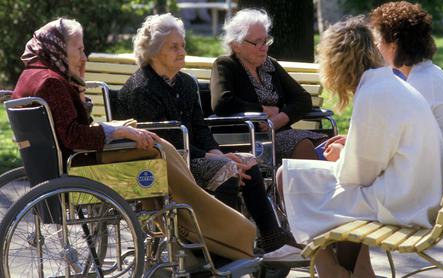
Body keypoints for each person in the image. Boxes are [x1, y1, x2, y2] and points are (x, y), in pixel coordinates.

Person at [12, 17, 257, 262]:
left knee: (161, 147)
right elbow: (74, 135)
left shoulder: (32, 76)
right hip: (81, 167)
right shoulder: (52, 83)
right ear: (58, 48)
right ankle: (217, 240)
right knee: (160, 149)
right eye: (78, 49)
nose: (83, 56)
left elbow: (70, 130)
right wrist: (118, 132)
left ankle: (214, 240)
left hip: (57, 169)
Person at [271, 16, 443, 277]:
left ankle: (329, 269)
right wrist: (350, 148)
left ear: (336, 64)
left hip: (404, 202)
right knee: (322, 189)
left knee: (286, 176)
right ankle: (358, 271)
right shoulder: (389, 82)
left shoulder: (374, 93)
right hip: (415, 192)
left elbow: (357, 175)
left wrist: (340, 155)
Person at [115, 13, 301, 260]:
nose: (182, 51)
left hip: (193, 155)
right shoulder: (142, 89)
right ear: (155, 51)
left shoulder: (185, 83)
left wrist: (217, 152)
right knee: (228, 170)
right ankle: (224, 252)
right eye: (174, 47)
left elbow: (200, 128)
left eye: (182, 45)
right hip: (164, 163)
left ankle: (272, 241)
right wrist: (219, 160)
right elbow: (170, 142)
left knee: (247, 162)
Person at [210, 9, 327, 163]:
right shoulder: (226, 65)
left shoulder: (269, 64)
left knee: (328, 145)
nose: (264, 47)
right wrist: (262, 111)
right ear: (236, 45)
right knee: (303, 145)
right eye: (257, 42)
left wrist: (278, 119)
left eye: (265, 41)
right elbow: (222, 103)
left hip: (279, 132)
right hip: (248, 138)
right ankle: (311, 187)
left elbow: (303, 99)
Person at [369, 1, 443, 165]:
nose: (376, 47)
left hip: (439, 183)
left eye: (378, 41)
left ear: (394, 45)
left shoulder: (419, 85)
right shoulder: (431, 74)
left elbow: (391, 150)